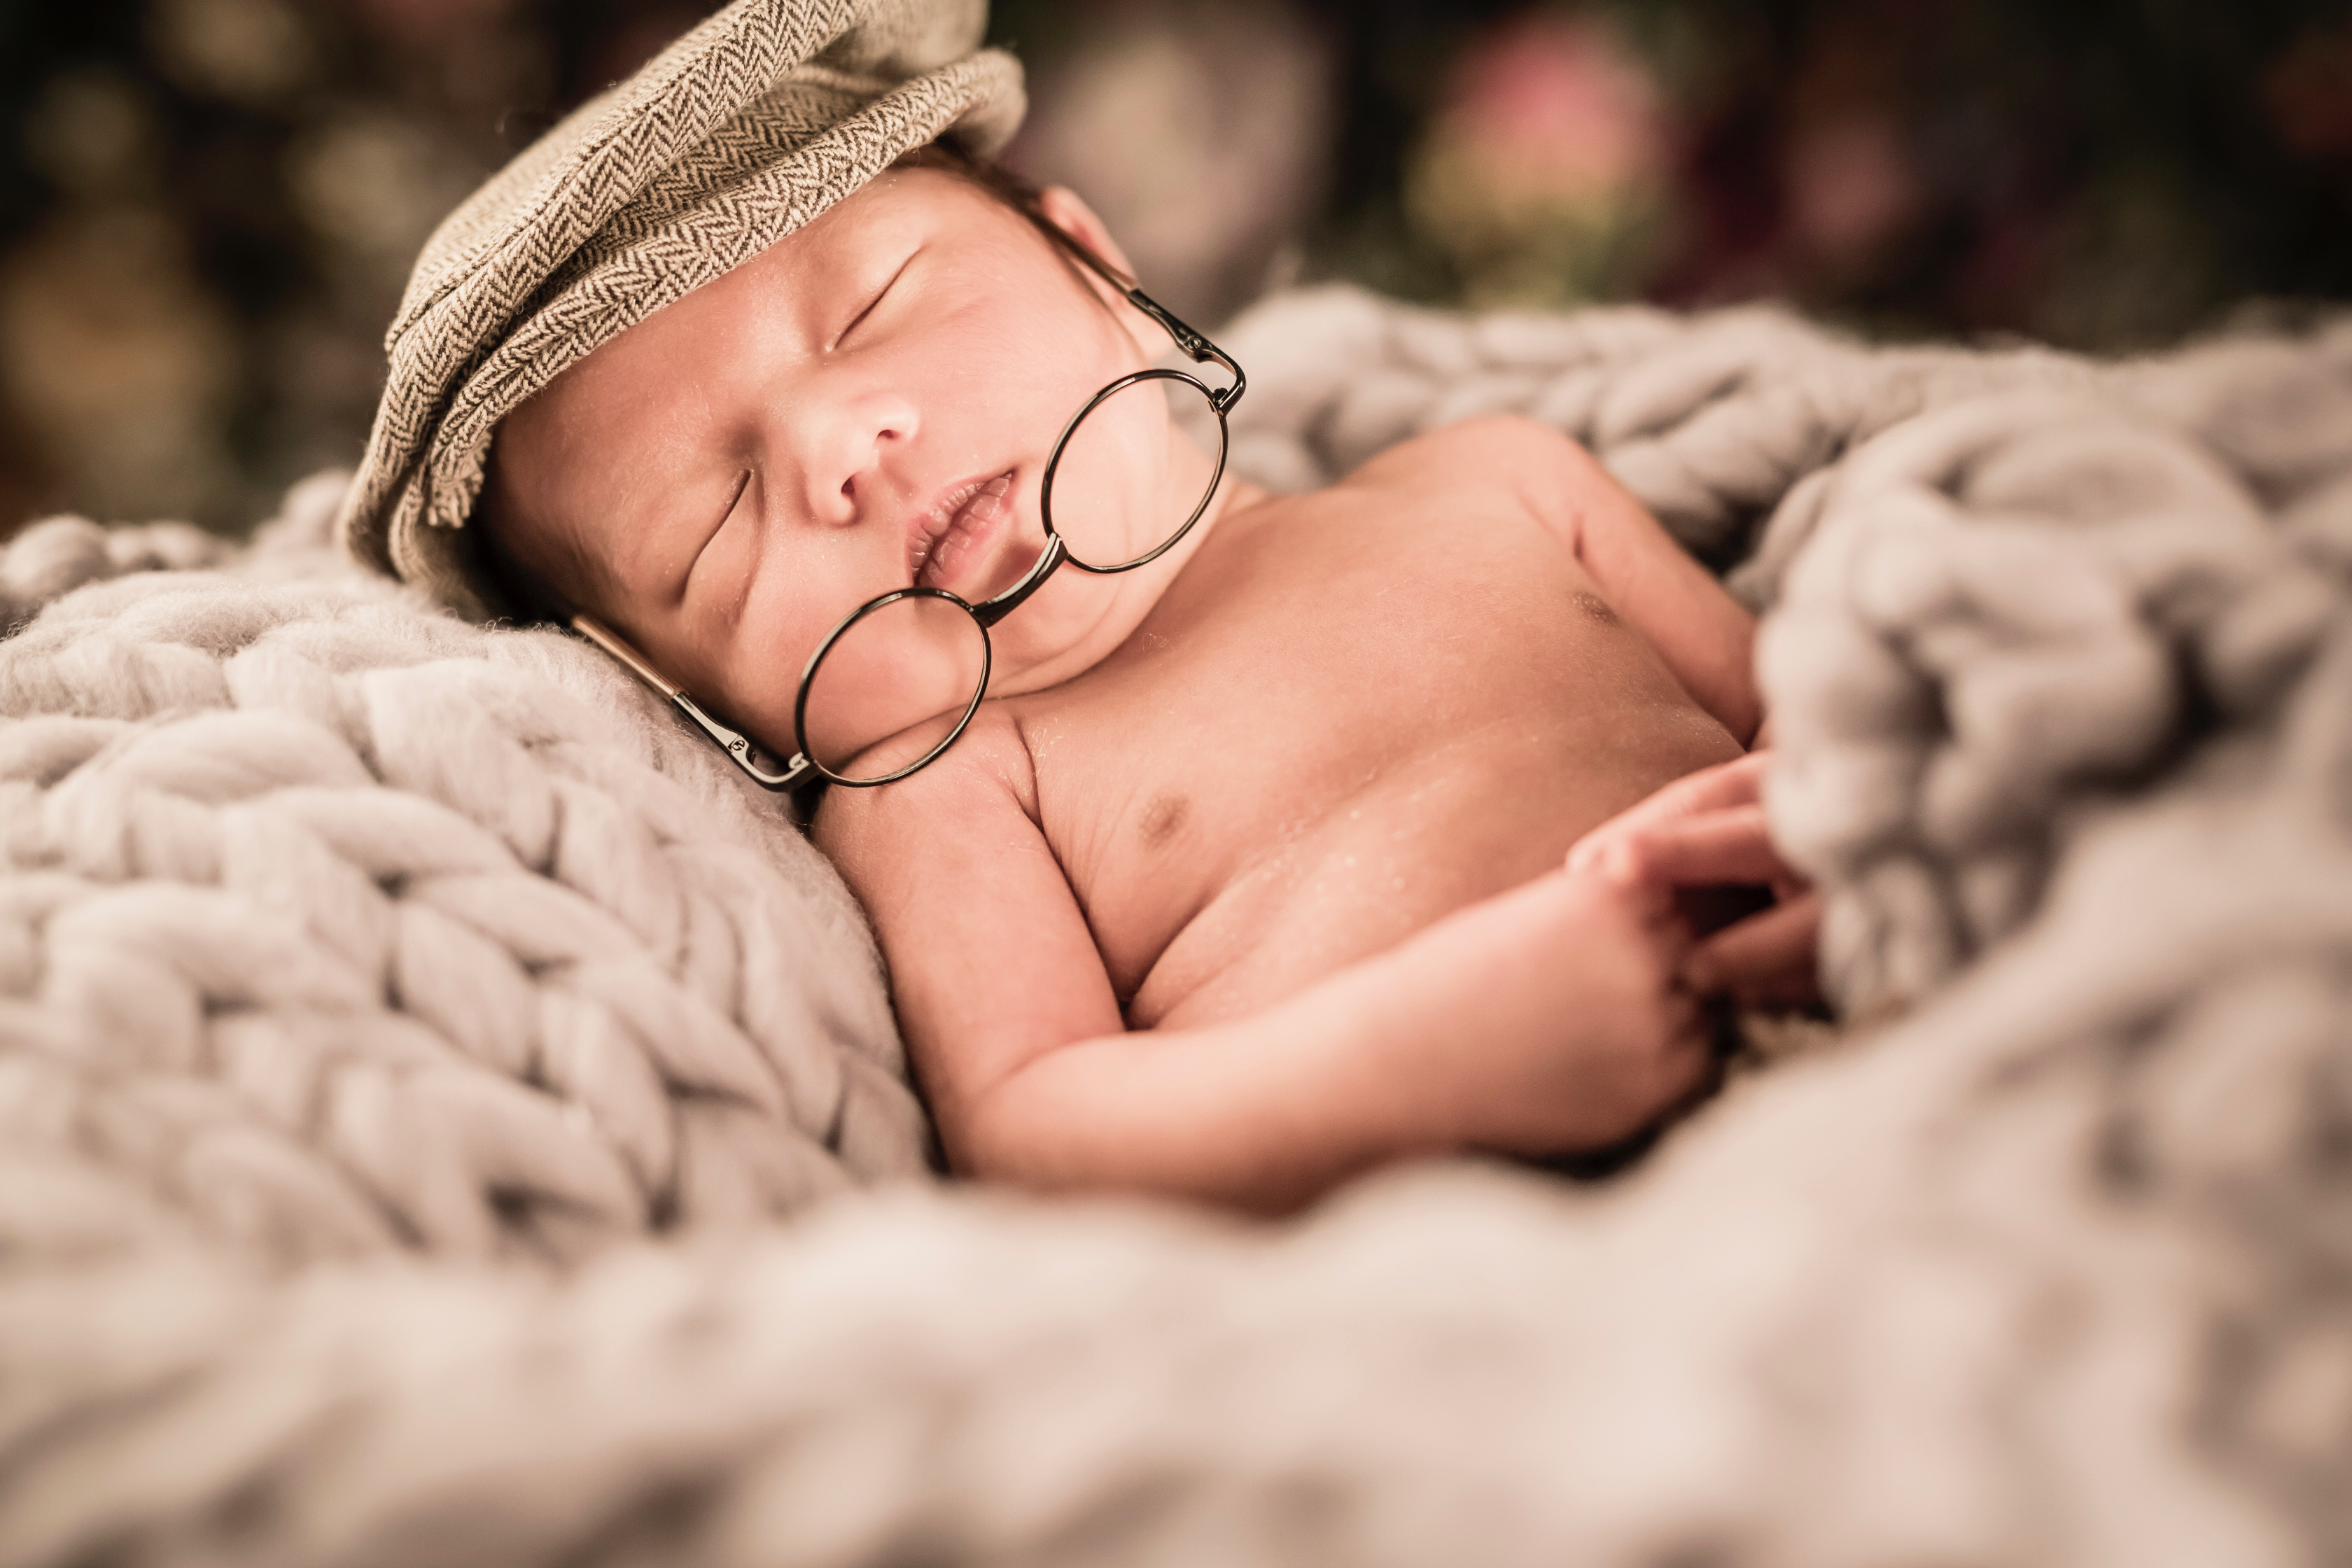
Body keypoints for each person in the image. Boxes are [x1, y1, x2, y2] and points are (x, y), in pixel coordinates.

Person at [342, 0, 1819, 1211]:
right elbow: (1040, 1127)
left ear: (1102, 270)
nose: (837, 450)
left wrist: (1837, 839)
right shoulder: (954, 781)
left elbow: (1812, 723)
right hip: (1465, 1224)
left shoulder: (1497, 483)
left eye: (871, 310)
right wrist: (1433, 1056)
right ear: (701, 702)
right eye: (716, 519)